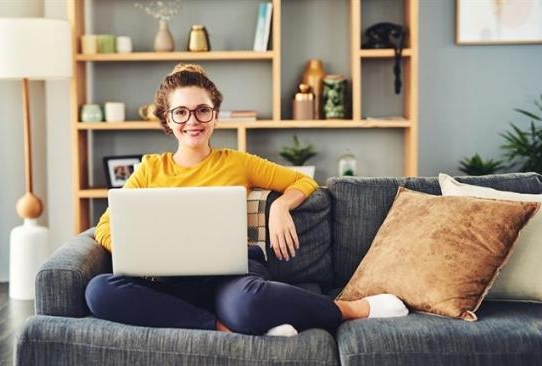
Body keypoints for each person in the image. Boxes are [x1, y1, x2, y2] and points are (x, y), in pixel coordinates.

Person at [86, 64, 408, 337]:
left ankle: (350, 309)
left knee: (249, 303)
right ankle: (221, 326)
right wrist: (146, 254)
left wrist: (280, 206)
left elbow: (303, 180)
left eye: (202, 110)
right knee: (99, 291)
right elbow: (105, 226)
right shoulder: (149, 169)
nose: (192, 120)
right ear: (167, 120)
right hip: (168, 279)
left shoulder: (237, 162)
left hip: (231, 274)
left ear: (214, 116)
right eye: (181, 112)